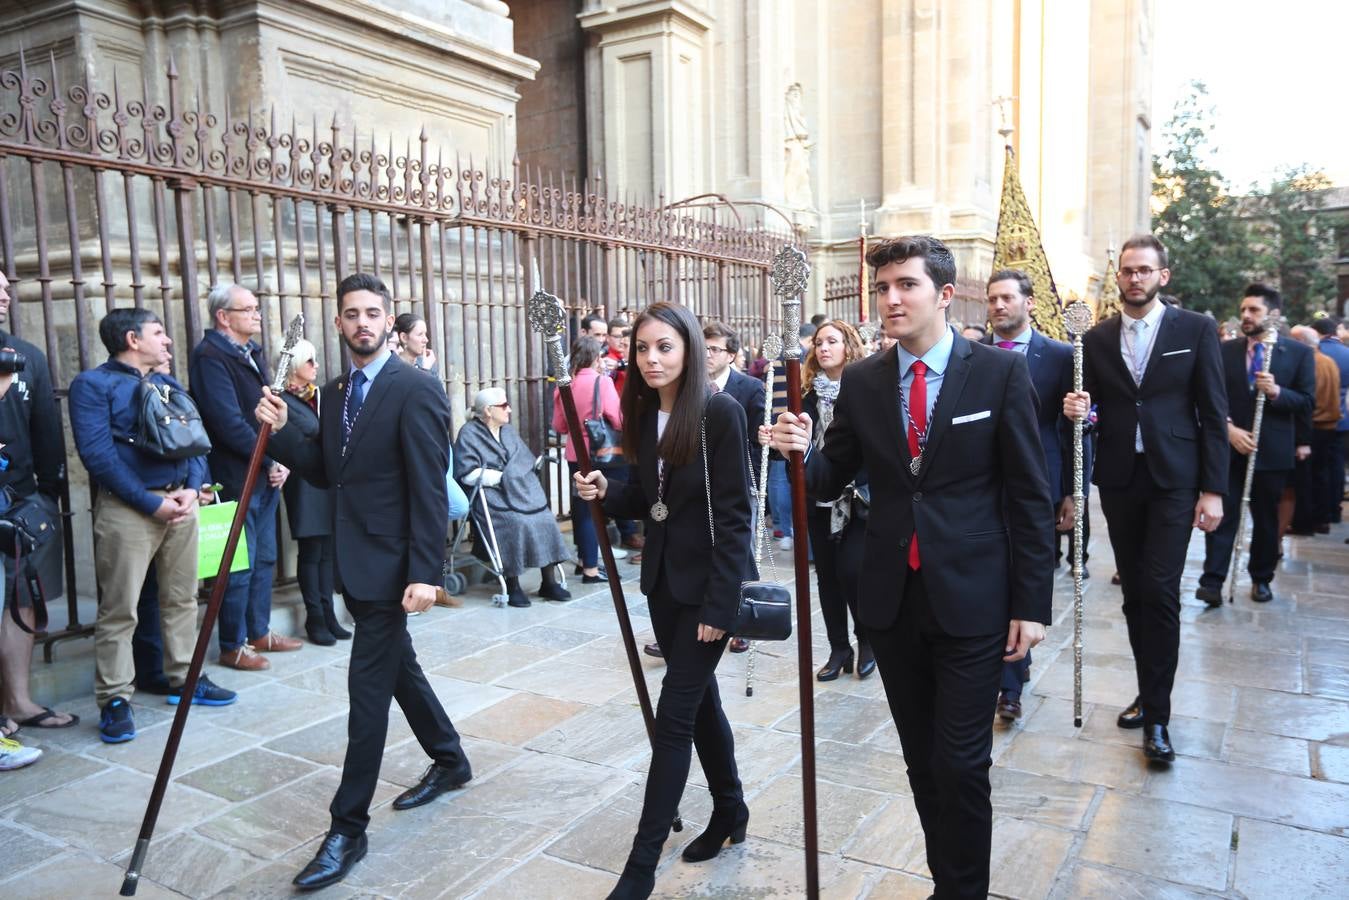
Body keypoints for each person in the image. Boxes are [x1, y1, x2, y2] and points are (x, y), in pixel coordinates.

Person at [771, 236, 1052, 899]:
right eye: (882, 287)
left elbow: (1029, 494)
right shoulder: (865, 381)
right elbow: (828, 477)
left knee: (960, 763)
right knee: (923, 762)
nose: (890, 299)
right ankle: (945, 882)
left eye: (906, 285)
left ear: (944, 295)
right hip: (892, 600)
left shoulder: (999, 374)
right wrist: (797, 451)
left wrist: (1031, 604)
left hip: (974, 597)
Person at [257, 272, 471, 890]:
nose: (363, 323)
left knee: (366, 695)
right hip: (356, 561)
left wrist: (427, 572)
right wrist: (281, 427)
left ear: (389, 318)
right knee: (396, 669)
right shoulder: (334, 390)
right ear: (339, 323)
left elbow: (430, 486)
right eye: (351, 314)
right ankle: (451, 760)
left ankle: (347, 827)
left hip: (392, 566)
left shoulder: (417, 388)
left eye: (373, 313)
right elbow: (327, 471)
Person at [575, 302, 753, 900]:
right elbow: (654, 503)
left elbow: (734, 518)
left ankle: (640, 868)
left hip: (705, 594)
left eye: (665, 347)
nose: (652, 359)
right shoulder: (643, 411)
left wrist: (720, 608)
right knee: (701, 709)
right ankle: (731, 810)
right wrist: (608, 489)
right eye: (644, 348)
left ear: (690, 352)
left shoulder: (718, 414)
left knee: (674, 720)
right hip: (663, 587)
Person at [1063, 233, 1227, 764]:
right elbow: (1099, 411)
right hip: (1120, 479)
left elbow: (1212, 412)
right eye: (1128, 271)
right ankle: (1146, 689)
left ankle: (1158, 718)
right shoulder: (1098, 337)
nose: (1134, 278)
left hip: (1175, 478)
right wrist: (1080, 411)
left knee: (1158, 591)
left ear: (1163, 276)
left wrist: (1214, 489)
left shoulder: (1195, 329)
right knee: (1135, 593)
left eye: (1144, 271)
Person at [71, 308, 237, 744]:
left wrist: (193, 488)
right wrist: (149, 502)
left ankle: (185, 678)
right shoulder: (93, 385)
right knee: (119, 608)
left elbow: (197, 443)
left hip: (181, 505)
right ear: (131, 339)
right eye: (159, 333)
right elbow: (97, 455)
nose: (167, 341)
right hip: (129, 510)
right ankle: (115, 700)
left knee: (182, 599)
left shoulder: (166, 383)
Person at [983, 269, 1078, 720]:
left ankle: (1012, 683)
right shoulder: (974, 355)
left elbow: (1076, 433)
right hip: (984, 487)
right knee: (993, 581)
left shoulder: (1060, 356)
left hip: (1040, 485)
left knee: (1026, 577)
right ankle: (1002, 674)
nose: (999, 306)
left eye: (1007, 298)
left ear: (1030, 303)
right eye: (992, 300)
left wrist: (1072, 494)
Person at [190, 284, 301, 671]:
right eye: (249, 309)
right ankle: (232, 644)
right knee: (239, 565)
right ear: (224, 316)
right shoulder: (210, 356)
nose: (257, 315)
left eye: (257, 308)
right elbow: (226, 423)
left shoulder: (250, 352)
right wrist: (271, 459)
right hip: (236, 474)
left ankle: (259, 631)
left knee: (266, 557)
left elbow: (270, 411)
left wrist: (279, 457)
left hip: (263, 471)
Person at [1196, 286, 1314, 605]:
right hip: (1229, 449)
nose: (1245, 316)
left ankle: (1261, 577)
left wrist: (1276, 392)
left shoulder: (1298, 353)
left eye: (1254, 310)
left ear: (1273, 315)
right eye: (1244, 309)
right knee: (1223, 515)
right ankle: (1213, 580)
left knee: (1265, 521)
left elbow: (1306, 401)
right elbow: (1208, 397)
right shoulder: (1224, 350)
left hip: (1271, 453)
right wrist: (1228, 428)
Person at [0, 269, 79, 737]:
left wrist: (48, 494)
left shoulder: (26, 355)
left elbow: (47, 430)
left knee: (22, 600)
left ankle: (19, 700)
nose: (5, 295)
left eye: (7, 287)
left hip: (22, 501)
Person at [793, 318, 872, 681]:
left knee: (854, 572)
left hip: (858, 497)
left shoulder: (867, 388)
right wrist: (779, 440)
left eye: (832, 342)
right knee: (826, 576)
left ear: (848, 347)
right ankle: (839, 647)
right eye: (819, 343)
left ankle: (866, 640)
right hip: (819, 496)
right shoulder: (805, 392)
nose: (823, 348)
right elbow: (797, 451)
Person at [455, 387, 572, 607]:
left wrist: (513, 477)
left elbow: (523, 459)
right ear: (488, 411)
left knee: (544, 518)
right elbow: (466, 472)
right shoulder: (469, 433)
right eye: (503, 405)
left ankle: (549, 581)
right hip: (491, 493)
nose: (509, 409)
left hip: (518, 488)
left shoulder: (508, 431)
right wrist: (502, 478)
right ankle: (512, 584)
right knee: (515, 522)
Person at [278, 339, 351, 644]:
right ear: (295, 366)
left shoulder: (317, 396)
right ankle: (315, 618)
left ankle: (329, 615)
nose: (316, 366)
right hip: (303, 481)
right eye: (310, 361)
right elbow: (301, 436)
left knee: (326, 550)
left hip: (325, 476)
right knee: (311, 551)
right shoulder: (282, 399)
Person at [704, 321, 764, 656]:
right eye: (704, 348)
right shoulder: (689, 385)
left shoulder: (750, 387)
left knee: (742, 550)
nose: (707, 354)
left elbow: (757, 436)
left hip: (739, 480)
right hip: (699, 482)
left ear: (731, 355)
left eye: (714, 349)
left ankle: (744, 620)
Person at [552, 336, 620, 585]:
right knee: (595, 511)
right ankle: (591, 568)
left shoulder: (563, 385)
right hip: (599, 453)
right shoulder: (602, 383)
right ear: (595, 357)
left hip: (573, 454)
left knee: (580, 509)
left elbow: (559, 425)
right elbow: (618, 418)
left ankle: (584, 561)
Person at [1289, 324, 1343, 534]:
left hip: (1313, 425)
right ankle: (1322, 518)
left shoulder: (1310, 363)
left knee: (1305, 478)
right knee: (1322, 474)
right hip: (1328, 425)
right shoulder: (1328, 361)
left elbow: (1308, 400)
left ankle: (1304, 522)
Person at [1311, 317, 1349, 525]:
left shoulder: (1317, 353)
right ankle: (1334, 509)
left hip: (1316, 419)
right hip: (1342, 418)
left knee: (1316, 469)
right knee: (1336, 466)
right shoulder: (1346, 353)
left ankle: (1319, 511)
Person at [393, 312, 439, 378]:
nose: (426, 340)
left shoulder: (426, 362)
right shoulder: (393, 366)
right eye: (420, 334)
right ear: (404, 338)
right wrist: (425, 370)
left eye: (425, 334)